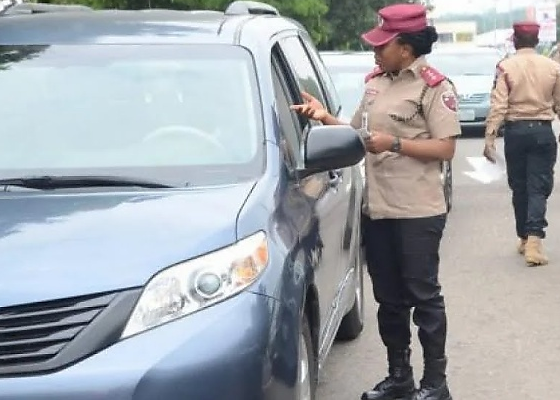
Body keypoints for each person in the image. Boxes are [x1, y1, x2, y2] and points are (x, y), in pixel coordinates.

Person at [291, 4, 459, 400]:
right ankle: (399, 376)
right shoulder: (375, 84)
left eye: (384, 45)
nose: (376, 51)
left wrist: (395, 143)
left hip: (417, 210)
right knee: (388, 298)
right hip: (377, 209)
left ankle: (435, 384)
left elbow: (446, 148)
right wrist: (323, 118)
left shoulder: (433, 87)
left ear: (407, 47)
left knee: (424, 296)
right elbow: (356, 136)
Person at [483, 21, 560, 266]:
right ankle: (535, 240)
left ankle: (525, 237)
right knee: (539, 186)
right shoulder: (553, 67)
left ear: (514, 41)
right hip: (542, 132)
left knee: (519, 186)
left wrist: (490, 137)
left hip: (515, 132)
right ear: (537, 42)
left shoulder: (505, 67)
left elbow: (498, 105)